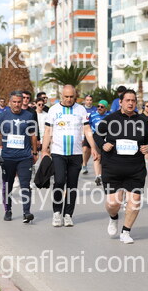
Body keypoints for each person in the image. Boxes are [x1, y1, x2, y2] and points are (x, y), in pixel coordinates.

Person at [93, 90, 148, 244]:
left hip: (135, 168)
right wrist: (103, 144)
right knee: (113, 203)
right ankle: (113, 217)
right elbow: (97, 135)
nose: (130, 103)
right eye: (127, 100)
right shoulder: (110, 119)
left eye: (133, 100)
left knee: (135, 201)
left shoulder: (142, 121)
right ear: (120, 102)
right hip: (112, 167)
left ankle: (126, 231)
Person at [41, 85, 99, 227]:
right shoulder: (54, 110)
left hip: (76, 153)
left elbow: (87, 129)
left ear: (75, 96)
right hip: (58, 152)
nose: (69, 99)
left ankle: (68, 215)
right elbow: (48, 131)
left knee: (72, 185)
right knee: (59, 181)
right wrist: (44, 150)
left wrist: (93, 147)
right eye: (66, 96)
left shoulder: (81, 109)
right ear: (62, 96)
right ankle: (56, 212)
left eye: (71, 97)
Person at [0, 91, 38, 223]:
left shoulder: (29, 115)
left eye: (19, 102)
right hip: (8, 157)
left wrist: (35, 152)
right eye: (14, 102)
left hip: (24, 156)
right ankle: (8, 210)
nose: (17, 104)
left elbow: (33, 135)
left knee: (25, 184)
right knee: (8, 185)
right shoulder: (2, 116)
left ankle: (26, 212)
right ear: (10, 102)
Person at [89, 100, 109, 184]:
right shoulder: (92, 115)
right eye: (98, 106)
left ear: (106, 108)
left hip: (106, 139)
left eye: (102, 107)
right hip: (96, 138)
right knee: (97, 156)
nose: (99, 108)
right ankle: (98, 176)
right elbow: (88, 127)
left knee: (105, 158)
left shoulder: (109, 116)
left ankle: (104, 174)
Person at [80, 94, 97, 175]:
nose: (89, 102)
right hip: (83, 132)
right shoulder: (81, 109)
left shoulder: (95, 109)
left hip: (92, 132)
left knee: (89, 150)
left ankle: (85, 164)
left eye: (90, 100)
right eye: (87, 100)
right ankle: (84, 165)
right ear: (84, 101)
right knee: (84, 149)